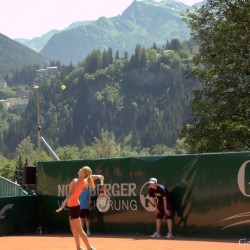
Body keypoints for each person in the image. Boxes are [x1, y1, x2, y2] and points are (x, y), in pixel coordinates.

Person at [56, 166, 104, 250]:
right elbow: (91, 177)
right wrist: (99, 176)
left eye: (82, 169)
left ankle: (89, 248)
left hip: (74, 207)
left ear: (84, 173)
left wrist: (62, 206)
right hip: (73, 206)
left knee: (80, 231)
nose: (80, 169)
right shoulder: (84, 181)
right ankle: (78, 247)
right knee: (73, 230)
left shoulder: (76, 181)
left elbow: (70, 194)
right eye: (81, 168)